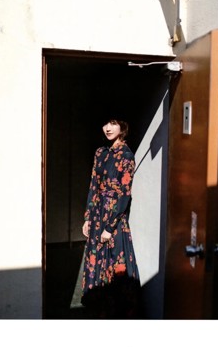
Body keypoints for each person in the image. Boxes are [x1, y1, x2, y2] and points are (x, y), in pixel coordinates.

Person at [81, 118, 140, 318]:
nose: (107, 128)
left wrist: (110, 226)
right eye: (105, 123)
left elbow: (125, 194)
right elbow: (93, 186)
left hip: (114, 218)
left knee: (116, 264)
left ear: (122, 127)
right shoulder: (100, 153)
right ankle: (97, 308)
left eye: (113, 123)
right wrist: (88, 217)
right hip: (97, 215)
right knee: (96, 263)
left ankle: (116, 314)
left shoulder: (127, 156)